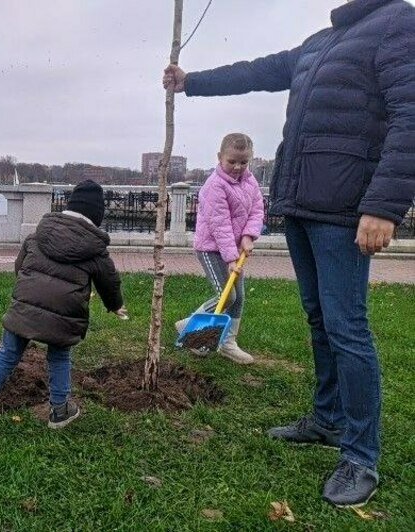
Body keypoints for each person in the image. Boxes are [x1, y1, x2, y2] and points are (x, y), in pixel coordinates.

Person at [163, 0, 414, 508]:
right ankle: (326, 419)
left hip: (345, 208)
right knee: (319, 319)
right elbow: (260, 70)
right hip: (302, 203)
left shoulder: (399, 22)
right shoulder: (322, 42)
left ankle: (361, 455)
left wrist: (384, 206)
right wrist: (191, 81)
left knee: (348, 328)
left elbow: (411, 114)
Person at [0, 180, 126, 429]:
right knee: (58, 357)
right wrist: (114, 305)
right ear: (96, 216)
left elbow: (19, 267)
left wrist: (29, 291)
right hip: (63, 314)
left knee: (7, 353)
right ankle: (59, 410)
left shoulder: (37, 236)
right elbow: (108, 281)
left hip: (24, 306)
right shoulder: (95, 250)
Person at [175, 133, 264, 365]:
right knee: (227, 295)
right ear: (219, 157)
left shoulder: (250, 181)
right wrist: (231, 257)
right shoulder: (214, 186)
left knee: (239, 297)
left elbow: (257, 210)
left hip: (234, 249)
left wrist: (247, 236)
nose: (237, 167)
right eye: (232, 161)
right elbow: (220, 225)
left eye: (243, 162)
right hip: (212, 248)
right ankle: (191, 327)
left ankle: (228, 344)